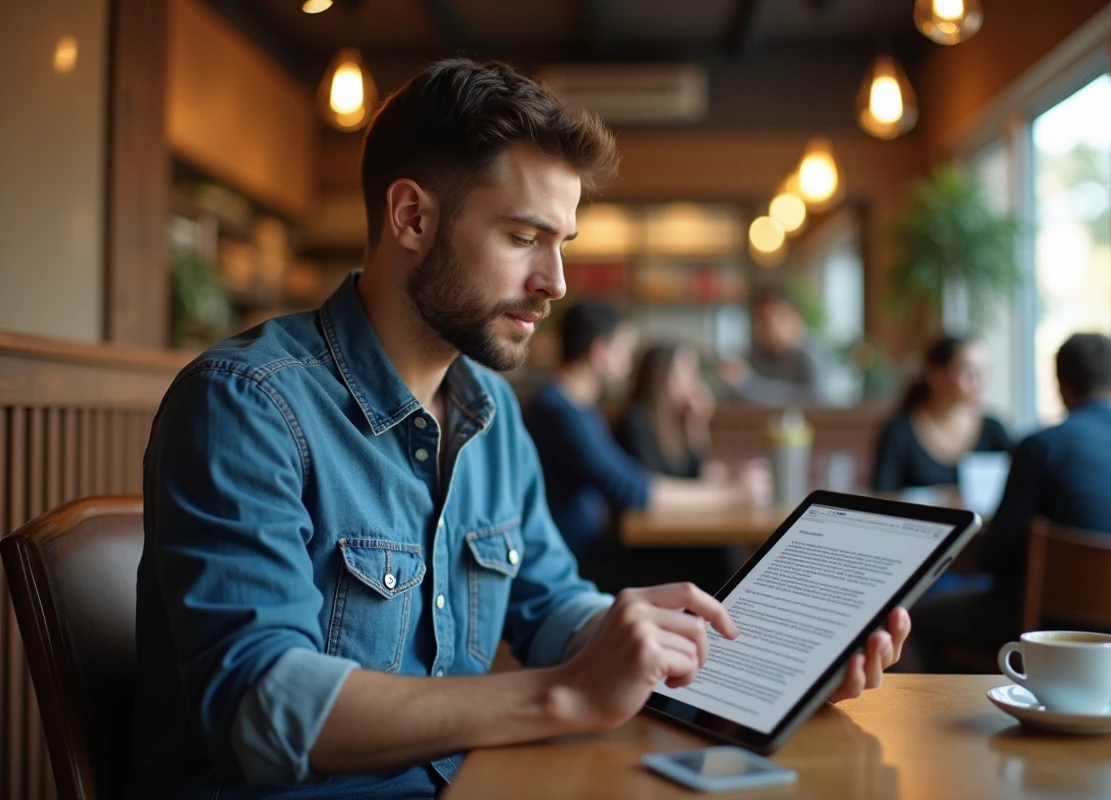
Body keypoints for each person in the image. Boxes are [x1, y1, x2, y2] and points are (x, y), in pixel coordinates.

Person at [130, 59, 909, 799]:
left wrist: (735, 667)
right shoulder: (246, 404)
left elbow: (552, 605)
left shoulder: (492, 415)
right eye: (523, 237)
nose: (556, 283)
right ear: (411, 217)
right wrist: (562, 696)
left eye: (561, 244)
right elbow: (259, 704)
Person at [911, 333, 1111, 671]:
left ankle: (959, 704)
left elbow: (994, 558)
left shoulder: (1042, 447)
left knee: (919, 616)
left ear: (1062, 389)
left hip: (1052, 634)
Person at [524, 302, 769, 589]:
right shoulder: (559, 411)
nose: (629, 363)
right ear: (600, 352)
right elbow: (635, 489)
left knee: (714, 554)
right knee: (711, 561)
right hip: (575, 564)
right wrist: (732, 494)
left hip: (586, 552)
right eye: (625, 350)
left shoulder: (576, 408)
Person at [871, 335, 1010, 492]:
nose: (980, 382)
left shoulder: (994, 432)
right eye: (970, 373)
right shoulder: (899, 433)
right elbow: (882, 495)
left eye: (984, 372)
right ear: (936, 376)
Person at [615, 343, 719, 480]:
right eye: (688, 374)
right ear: (662, 378)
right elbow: (653, 484)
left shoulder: (678, 420)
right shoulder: (636, 423)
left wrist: (697, 423)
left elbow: (694, 473)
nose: (694, 384)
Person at [719, 287, 824, 405]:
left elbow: (813, 399)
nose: (772, 325)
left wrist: (747, 383)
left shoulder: (813, 356)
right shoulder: (753, 358)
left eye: (781, 317)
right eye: (763, 318)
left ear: (798, 318)